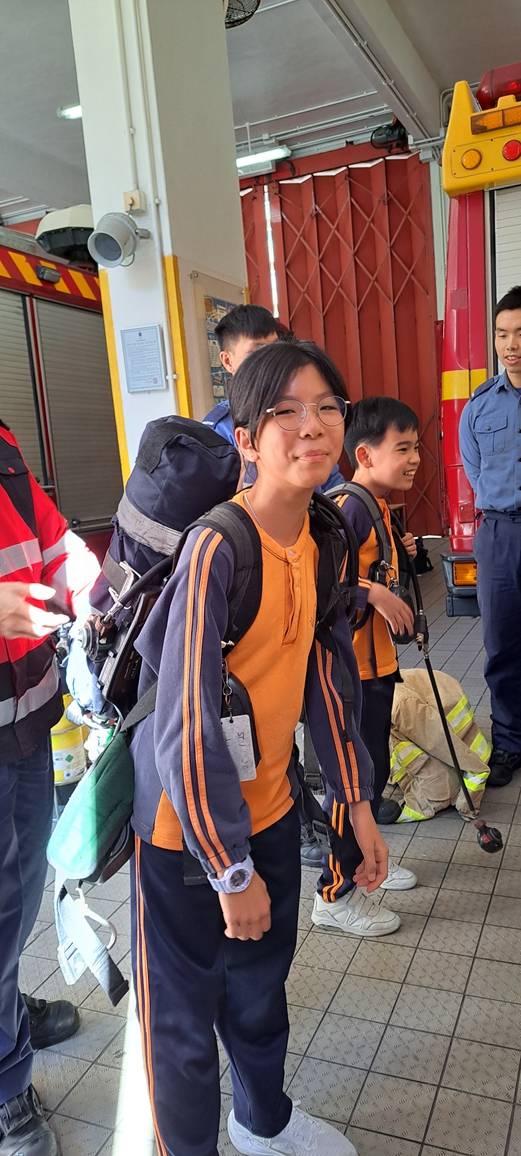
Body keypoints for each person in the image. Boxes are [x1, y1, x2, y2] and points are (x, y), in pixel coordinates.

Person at [129, 341, 388, 1156]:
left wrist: (355, 806)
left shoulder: (321, 537)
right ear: (245, 439)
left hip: (271, 809)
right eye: (285, 412)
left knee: (258, 993)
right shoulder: (216, 547)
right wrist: (227, 868)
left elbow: (327, 684)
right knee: (180, 1024)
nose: (312, 426)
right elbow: (183, 721)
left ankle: (262, 1122)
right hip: (184, 834)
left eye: (327, 408)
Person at [0, 420, 99, 1156]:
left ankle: (5, 1009)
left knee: (20, 892)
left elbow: (51, 537)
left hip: (27, 719)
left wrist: (89, 581)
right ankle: (7, 1083)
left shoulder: (1, 440)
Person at [312, 397, 420, 937]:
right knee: (349, 781)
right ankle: (333, 894)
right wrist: (373, 592)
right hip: (350, 673)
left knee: (370, 774)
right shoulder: (348, 507)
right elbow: (320, 580)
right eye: (402, 448)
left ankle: (367, 863)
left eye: (416, 447)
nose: (415, 458)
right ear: (364, 454)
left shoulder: (376, 505)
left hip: (377, 667)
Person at [460, 285, 521, 787]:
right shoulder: (479, 406)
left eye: (520, 333)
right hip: (499, 535)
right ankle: (509, 742)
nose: (511, 344)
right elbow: (476, 472)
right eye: (502, 333)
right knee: (501, 643)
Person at [203, 302, 345, 492]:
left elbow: (333, 484)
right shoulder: (218, 430)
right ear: (228, 361)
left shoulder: (309, 409)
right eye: (257, 353)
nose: (312, 429)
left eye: (276, 349)